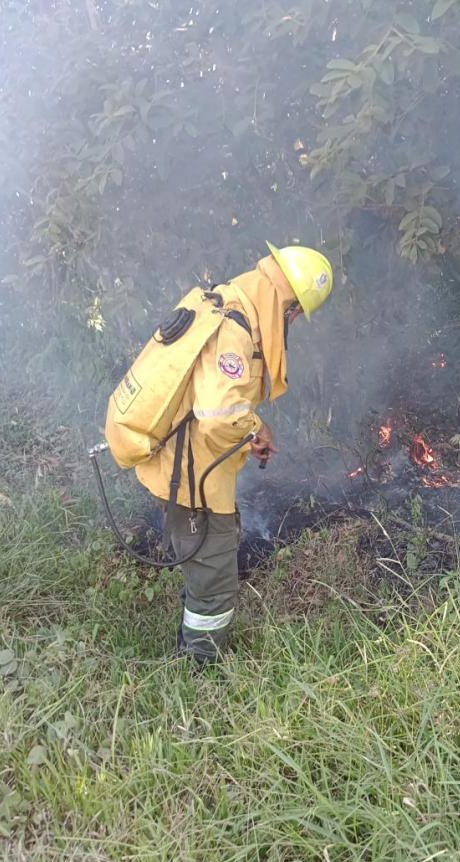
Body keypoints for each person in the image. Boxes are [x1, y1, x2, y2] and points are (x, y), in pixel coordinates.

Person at [134, 242, 334, 663]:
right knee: (214, 581)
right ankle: (198, 671)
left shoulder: (233, 305)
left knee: (209, 564)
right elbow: (219, 416)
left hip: (191, 467)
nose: (294, 322)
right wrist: (255, 426)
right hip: (188, 476)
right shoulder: (236, 330)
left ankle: (192, 650)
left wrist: (253, 432)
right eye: (296, 314)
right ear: (290, 304)